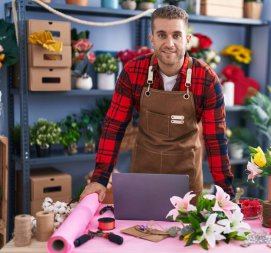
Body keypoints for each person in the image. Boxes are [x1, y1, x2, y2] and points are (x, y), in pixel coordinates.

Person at [80, 5, 235, 202]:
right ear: (152, 39)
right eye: (162, 35)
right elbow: (114, 127)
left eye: (177, 35)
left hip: (186, 183)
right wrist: (100, 178)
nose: (169, 43)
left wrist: (226, 192)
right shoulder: (133, 72)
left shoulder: (206, 79)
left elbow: (215, 140)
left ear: (187, 40)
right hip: (143, 176)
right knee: (137, 231)